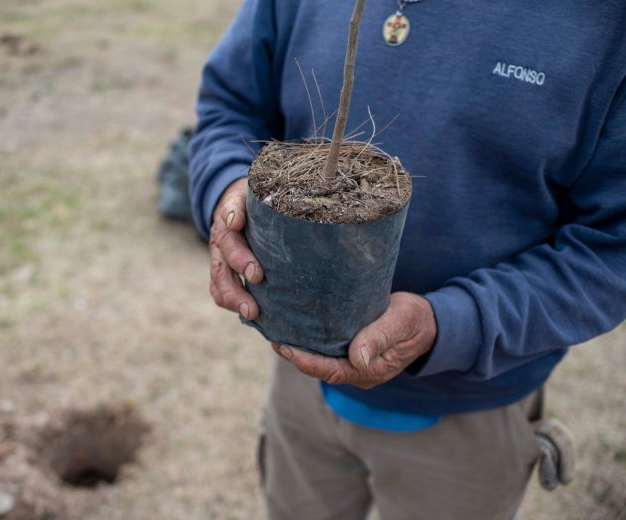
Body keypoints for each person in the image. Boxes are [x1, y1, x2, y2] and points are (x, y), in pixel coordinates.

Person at [187, 1, 626, 519]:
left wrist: (453, 324)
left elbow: (611, 249)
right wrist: (226, 193)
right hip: (297, 376)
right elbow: (229, 108)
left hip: (470, 414)